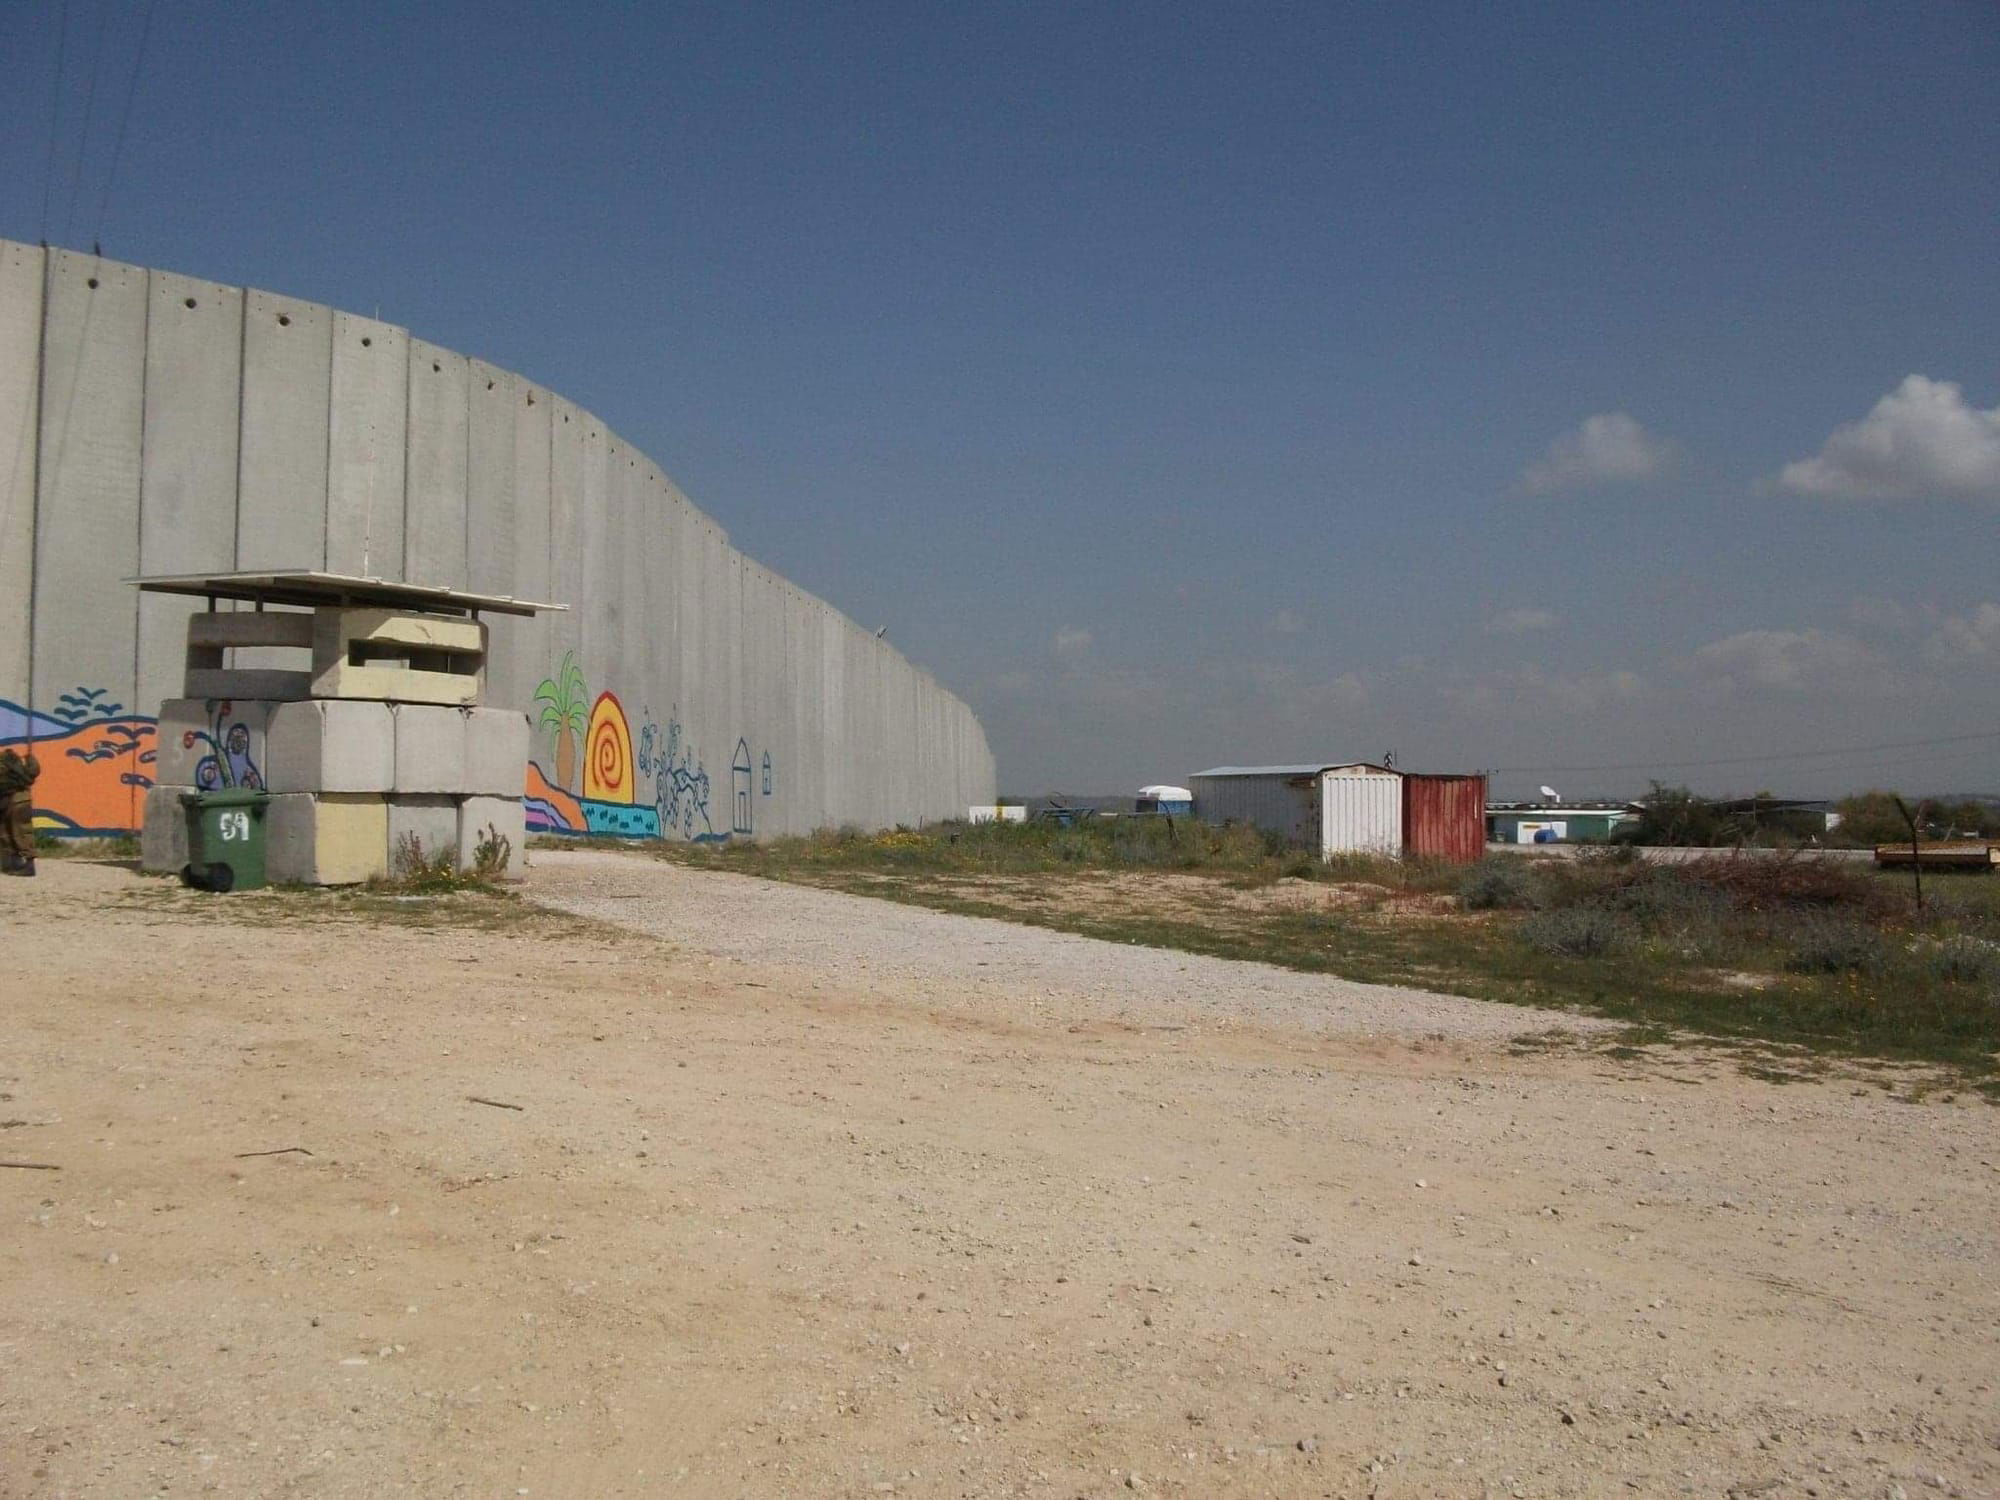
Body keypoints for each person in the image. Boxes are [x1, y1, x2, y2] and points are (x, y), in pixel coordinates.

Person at [0, 744, 39, 877]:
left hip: (10, 802)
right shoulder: (22, 769)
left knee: (13, 833)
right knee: (21, 832)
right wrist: (31, 758)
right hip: (23, 800)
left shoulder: (4, 769)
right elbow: (34, 771)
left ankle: (26, 865)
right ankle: (19, 863)